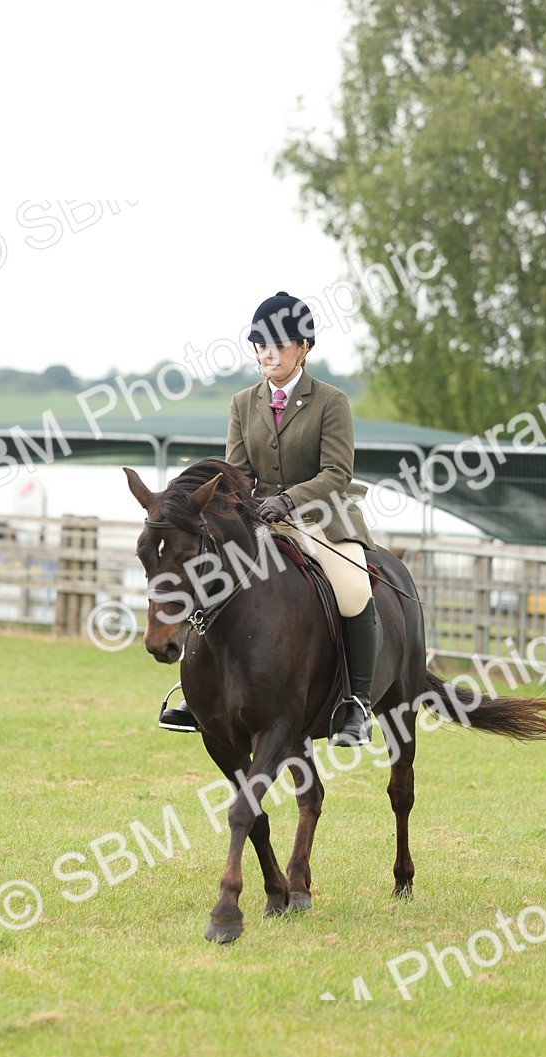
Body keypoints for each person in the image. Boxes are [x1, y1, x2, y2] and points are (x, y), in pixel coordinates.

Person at [160, 290, 378, 746]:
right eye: (261, 345)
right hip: (259, 518)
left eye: (279, 345)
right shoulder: (243, 403)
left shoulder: (330, 401)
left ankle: (356, 704)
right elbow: (237, 471)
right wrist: (241, 506)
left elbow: (337, 472)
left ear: (304, 348)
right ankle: (196, 690)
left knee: (354, 590)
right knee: (210, 577)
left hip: (323, 516)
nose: (268, 354)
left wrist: (291, 500)